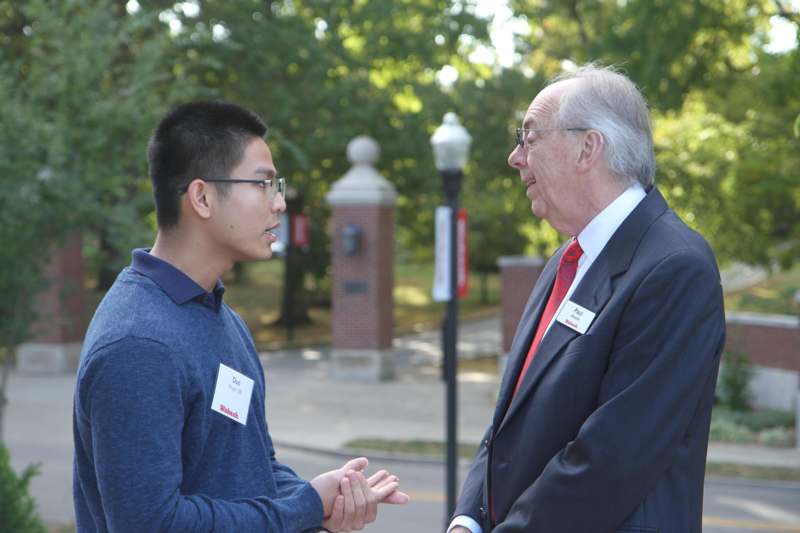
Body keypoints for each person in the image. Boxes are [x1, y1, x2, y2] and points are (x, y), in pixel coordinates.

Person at [73, 100, 408, 532]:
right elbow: (152, 523)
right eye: (263, 184)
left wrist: (326, 498)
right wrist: (304, 507)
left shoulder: (222, 318)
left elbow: (252, 466)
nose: (280, 203)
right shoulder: (137, 344)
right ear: (202, 197)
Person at [449, 64, 726, 533]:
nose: (515, 157)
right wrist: (467, 521)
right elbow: (509, 422)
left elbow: (610, 460)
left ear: (587, 148)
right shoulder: (567, 259)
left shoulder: (675, 268)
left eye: (529, 138)